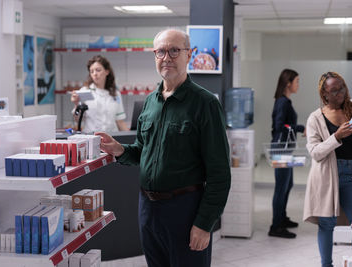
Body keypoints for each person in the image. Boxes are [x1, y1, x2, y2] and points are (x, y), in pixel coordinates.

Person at [96, 28, 231, 267]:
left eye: (174, 50)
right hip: (148, 209)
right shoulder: (150, 102)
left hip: (186, 209)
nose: (166, 57)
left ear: (189, 55)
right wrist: (119, 150)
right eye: (160, 51)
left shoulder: (205, 103)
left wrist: (204, 224)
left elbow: (220, 173)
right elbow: (142, 150)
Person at [303, 71, 352, 266]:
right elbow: (315, 152)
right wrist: (337, 137)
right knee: (326, 224)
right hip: (325, 176)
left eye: (342, 87)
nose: (340, 93)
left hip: (351, 175)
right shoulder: (315, 118)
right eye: (334, 90)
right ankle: (326, 264)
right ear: (325, 95)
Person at [268, 69, 305, 238]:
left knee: (287, 185)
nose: (298, 85)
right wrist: (300, 128)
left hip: (285, 149)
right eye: (297, 81)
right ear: (288, 83)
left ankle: (281, 218)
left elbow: (284, 125)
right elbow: (279, 125)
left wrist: (296, 128)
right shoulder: (282, 102)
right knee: (281, 187)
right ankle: (276, 227)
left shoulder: (285, 101)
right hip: (281, 149)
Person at [70, 55, 129, 133]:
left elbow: (120, 121)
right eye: (91, 71)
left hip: (112, 138)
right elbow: (77, 119)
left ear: (107, 71)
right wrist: (76, 104)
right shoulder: (85, 91)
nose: (95, 74)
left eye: (98, 70)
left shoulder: (115, 94)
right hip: (91, 137)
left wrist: (135, 139)